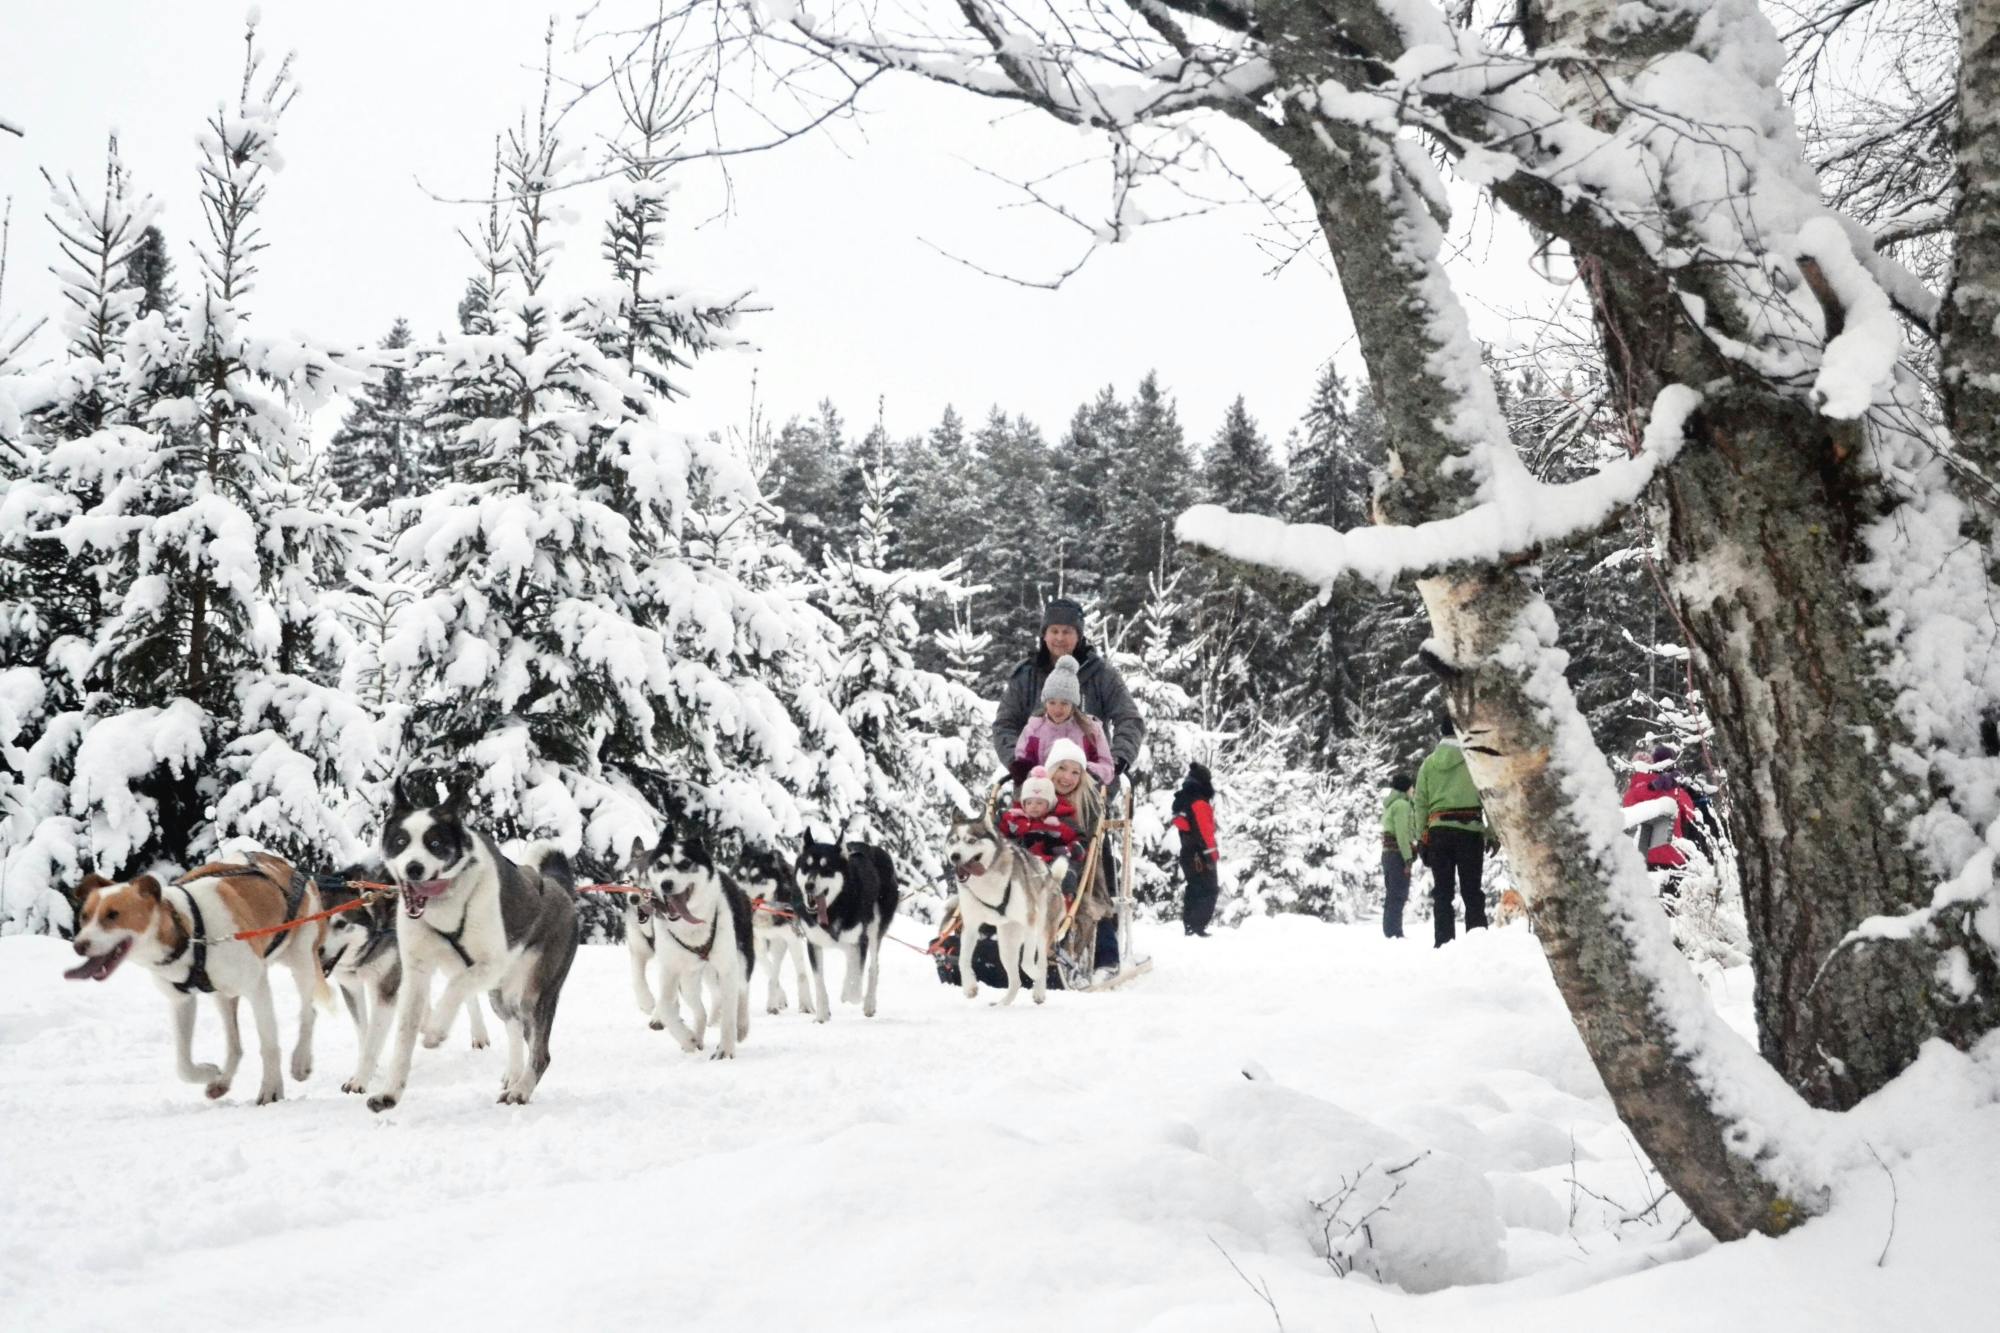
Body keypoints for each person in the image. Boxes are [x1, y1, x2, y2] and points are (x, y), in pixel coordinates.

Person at [993, 598, 1144, 785]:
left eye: (1067, 632)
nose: (1059, 638)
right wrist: (1018, 763)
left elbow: (1129, 718)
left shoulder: (1101, 674)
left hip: (1089, 782)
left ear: (1079, 635)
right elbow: (1004, 724)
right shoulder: (1026, 675)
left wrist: (1118, 758)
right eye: (1054, 631)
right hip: (1037, 782)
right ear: (1044, 634)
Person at [1047, 738, 1122, 980]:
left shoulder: (1087, 804)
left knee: (1092, 905)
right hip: (1035, 861)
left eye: (1075, 772)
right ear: (1050, 768)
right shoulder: (1035, 795)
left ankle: (1104, 957)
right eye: (1062, 768)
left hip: (1076, 865)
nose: (1067, 777)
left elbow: (1086, 843)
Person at [1414, 715, 1489, 947]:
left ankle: (1444, 944)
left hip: (1439, 833)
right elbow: (1490, 798)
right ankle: (1477, 944)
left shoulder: (1428, 764)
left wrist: (1421, 838)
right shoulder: (1475, 760)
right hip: (1470, 831)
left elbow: (1420, 804)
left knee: (1443, 893)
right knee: (1472, 891)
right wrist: (1493, 833)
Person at [1012, 655, 1116, 786]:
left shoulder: (1090, 730)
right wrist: (1027, 773)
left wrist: (1086, 771)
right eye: (1052, 702)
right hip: (1043, 795)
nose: (1057, 709)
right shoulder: (1034, 730)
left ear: (1073, 704)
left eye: (1064, 703)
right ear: (1045, 703)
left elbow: (1107, 768)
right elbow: (1022, 761)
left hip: (1080, 795)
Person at [1623, 745, 1709, 899]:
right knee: (1675, 913)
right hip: (1674, 861)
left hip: (1641, 863)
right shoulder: (1675, 791)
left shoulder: (1629, 796)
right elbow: (1693, 822)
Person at [1172, 761, 1220, 937]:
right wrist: (1211, 855)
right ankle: (1198, 926)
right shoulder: (1199, 802)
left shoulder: (1184, 800)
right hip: (1200, 853)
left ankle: (1190, 925)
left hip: (1187, 852)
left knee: (1194, 887)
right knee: (1209, 889)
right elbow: (1205, 832)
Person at [998, 766, 1081, 865]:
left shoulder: (1057, 824)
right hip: (1017, 862)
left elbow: (1075, 838)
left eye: (1039, 803)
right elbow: (997, 831)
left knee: (1060, 865)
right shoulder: (1014, 818)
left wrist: (1070, 849)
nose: (1034, 806)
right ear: (1023, 804)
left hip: (1046, 863)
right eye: (1029, 803)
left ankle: (1066, 876)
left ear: (1049, 805)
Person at [1380, 774, 1416, 939]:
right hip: (1397, 854)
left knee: (1392, 893)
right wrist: (1408, 857)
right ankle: (1394, 932)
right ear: (1406, 788)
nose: (1413, 790)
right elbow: (1402, 833)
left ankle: (1390, 930)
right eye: (1411, 787)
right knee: (1398, 893)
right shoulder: (1402, 805)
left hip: (1388, 853)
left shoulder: (1391, 804)